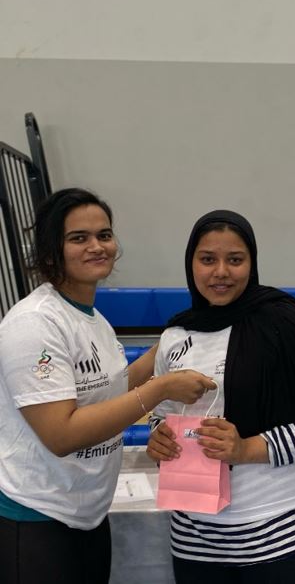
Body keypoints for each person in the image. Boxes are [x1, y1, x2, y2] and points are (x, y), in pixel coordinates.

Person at [0, 188, 215, 584]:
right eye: (78, 238)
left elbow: (109, 392)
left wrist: (172, 343)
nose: (96, 246)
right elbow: (61, 434)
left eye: (104, 235)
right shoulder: (34, 323)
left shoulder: (94, 320)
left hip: (88, 516)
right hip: (37, 520)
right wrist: (160, 388)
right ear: (50, 252)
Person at [146, 209, 295, 584]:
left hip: (283, 535)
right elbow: (163, 415)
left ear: (251, 264)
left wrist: (246, 449)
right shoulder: (175, 336)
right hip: (196, 540)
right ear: (191, 264)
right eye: (208, 259)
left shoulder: (290, 325)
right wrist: (159, 437)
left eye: (235, 260)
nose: (221, 272)